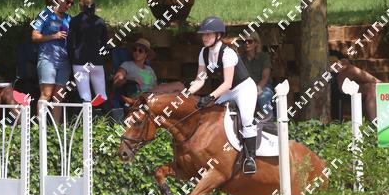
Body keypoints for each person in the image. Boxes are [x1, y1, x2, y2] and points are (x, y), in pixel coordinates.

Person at [187, 16, 259, 175]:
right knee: (208, 112)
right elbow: (200, 80)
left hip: (244, 89)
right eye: (203, 34)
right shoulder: (203, 53)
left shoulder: (228, 53)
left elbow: (227, 83)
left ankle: (250, 158)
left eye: (208, 34)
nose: (204, 37)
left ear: (218, 35)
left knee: (246, 119)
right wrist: (187, 92)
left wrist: (210, 97)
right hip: (227, 90)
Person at [31, 0, 73, 123]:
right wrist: (54, 36)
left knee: (58, 97)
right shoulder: (45, 14)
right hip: (47, 59)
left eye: (71, 3)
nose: (69, 5)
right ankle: (40, 127)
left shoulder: (69, 19)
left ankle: (56, 128)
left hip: (64, 61)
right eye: (67, 2)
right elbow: (34, 36)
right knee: (46, 94)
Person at [67, 0, 108, 108]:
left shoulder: (75, 21)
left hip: (79, 62)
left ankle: (87, 118)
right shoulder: (100, 22)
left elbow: (70, 43)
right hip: (97, 61)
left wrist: (72, 59)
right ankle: (107, 117)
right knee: (102, 95)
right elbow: (105, 43)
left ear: (80, 5)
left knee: (85, 96)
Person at [112, 37, 183, 99]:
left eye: (140, 51)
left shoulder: (149, 69)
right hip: (140, 96)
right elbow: (116, 82)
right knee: (178, 85)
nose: (137, 52)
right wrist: (128, 80)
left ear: (146, 54)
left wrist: (164, 87)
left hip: (153, 94)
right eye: (135, 50)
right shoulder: (127, 65)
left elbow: (155, 86)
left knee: (179, 91)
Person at [329, 50, 378, 122]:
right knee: (351, 69)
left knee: (372, 88)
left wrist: (341, 65)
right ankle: (380, 83)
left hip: (346, 83)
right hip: (329, 83)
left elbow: (345, 62)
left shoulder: (333, 52)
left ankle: (374, 125)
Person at [239, 31, 273, 120]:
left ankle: (269, 122)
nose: (247, 43)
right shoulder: (240, 59)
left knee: (263, 97)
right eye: (244, 41)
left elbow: (265, 77)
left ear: (256, 43)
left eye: (250, 41)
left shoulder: (264, 57)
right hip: (246, 88)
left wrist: (257, 89)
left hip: (263, 86)